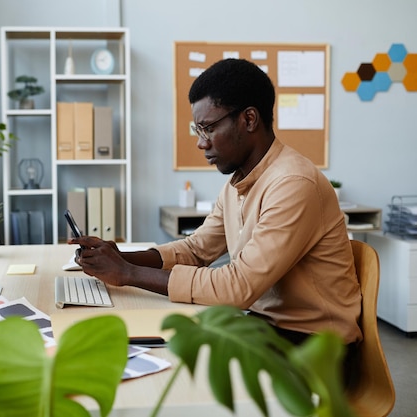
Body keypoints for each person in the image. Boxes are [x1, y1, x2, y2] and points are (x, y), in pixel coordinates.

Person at [71, 58, 362, 359]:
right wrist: (118, 257)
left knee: (174, 362)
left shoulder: (293, 183)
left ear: (249, 119)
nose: (201, 143)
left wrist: (129, 273)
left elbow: (238, 287)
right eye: (198, 130)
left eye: (207, 128)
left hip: (316, 347)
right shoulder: (239, 181)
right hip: (263, 327)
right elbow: (196, 250)